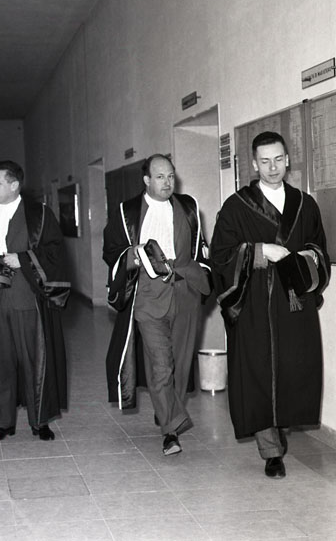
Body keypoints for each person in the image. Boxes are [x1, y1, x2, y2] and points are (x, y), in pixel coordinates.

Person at [210, 131, 330, 479]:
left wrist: (308, 258)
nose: (272, 167)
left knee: (293, 369)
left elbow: (319, 248)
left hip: (294, 303)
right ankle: (271, 450)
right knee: (259, 373)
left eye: (278, 159)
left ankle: (281, 428)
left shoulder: (305, 204)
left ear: (288, 160)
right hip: (254, 303)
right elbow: (220, 256)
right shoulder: (237, 206)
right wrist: (260, 251)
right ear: (254, 164)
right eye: (265, 161)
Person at [103, 154, 211, 456]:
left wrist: (202, 280)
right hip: (148, 297)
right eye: (160, 176)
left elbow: (200, 248)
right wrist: (133, 255)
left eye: (171, 176)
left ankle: (165, 410)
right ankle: (170, 431)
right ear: (146, 180)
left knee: (180, 364)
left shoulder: (189, 207)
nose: (167, 182)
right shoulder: (127, 212)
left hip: (185, 294)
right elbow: (110, 250)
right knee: (161, 364)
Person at [0, 160, 70, 441]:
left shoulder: (39, 214)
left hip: (25, 298)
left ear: (14, 185)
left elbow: (55, 252)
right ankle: (4, 422)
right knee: (0, 361)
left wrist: (23, 259)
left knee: (33, 360)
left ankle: (39, 420)